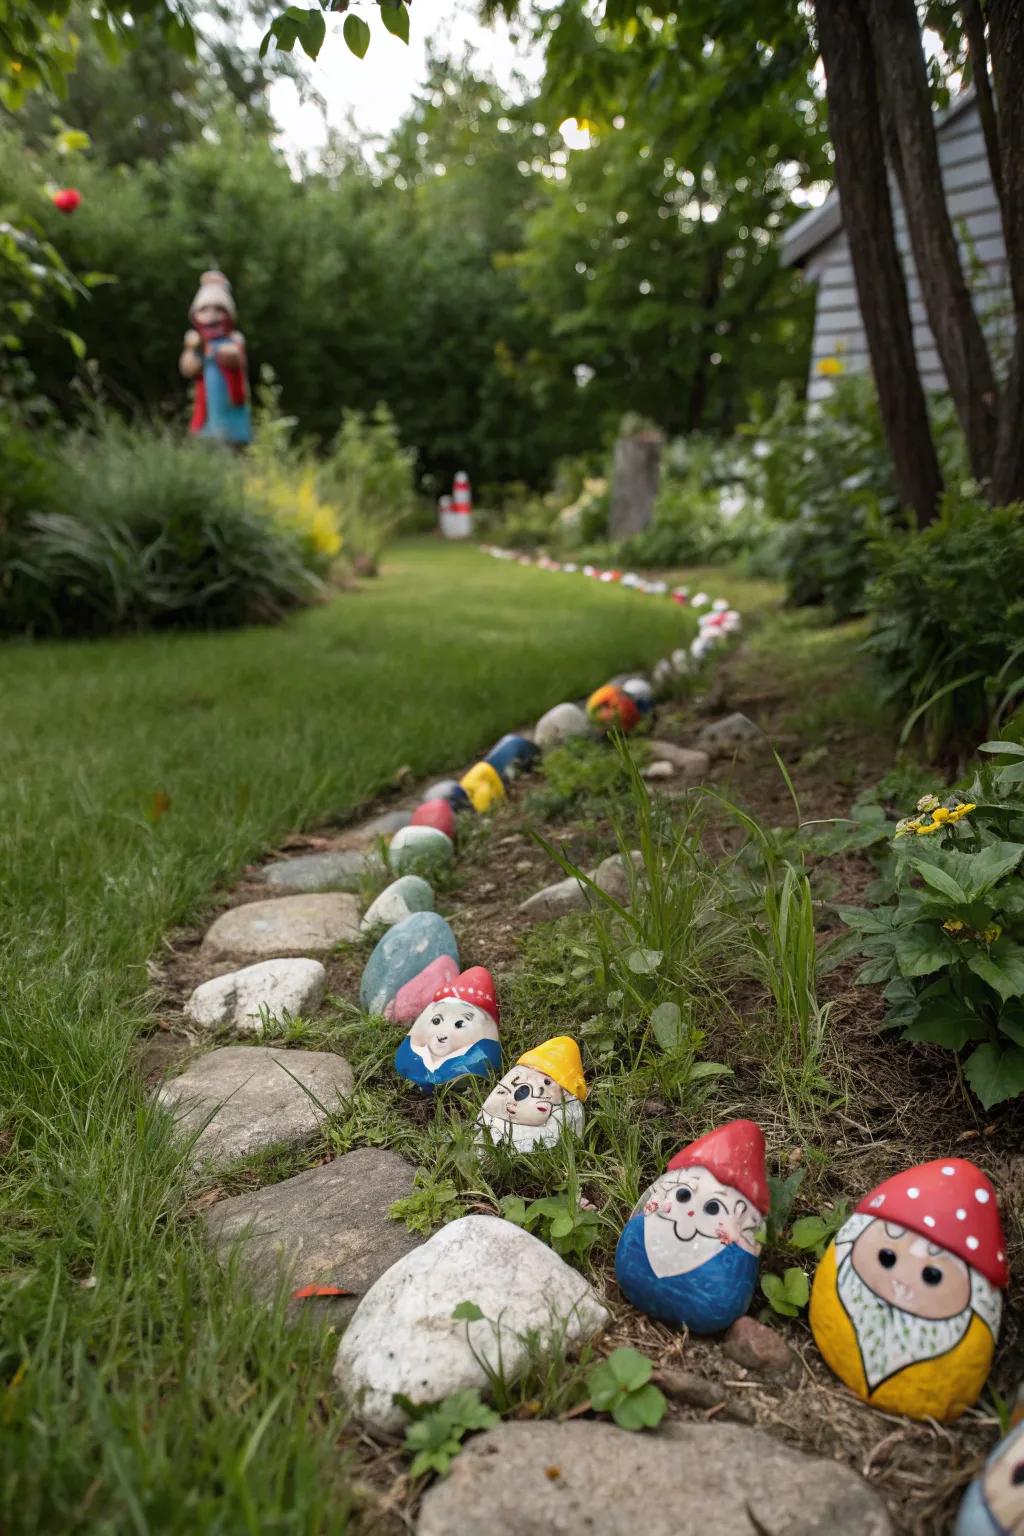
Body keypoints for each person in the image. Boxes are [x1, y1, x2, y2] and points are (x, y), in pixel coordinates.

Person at [179, 270, 252, 446]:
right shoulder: (197, 344)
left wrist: (209, 349)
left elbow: (234, 357)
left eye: (218, 309)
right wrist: (191, 349)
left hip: (231, 407)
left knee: (232, 444)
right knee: (206, 442)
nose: (211, 316)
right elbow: (188, 369)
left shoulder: (234, 340)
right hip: (206, 410)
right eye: (204, 310)